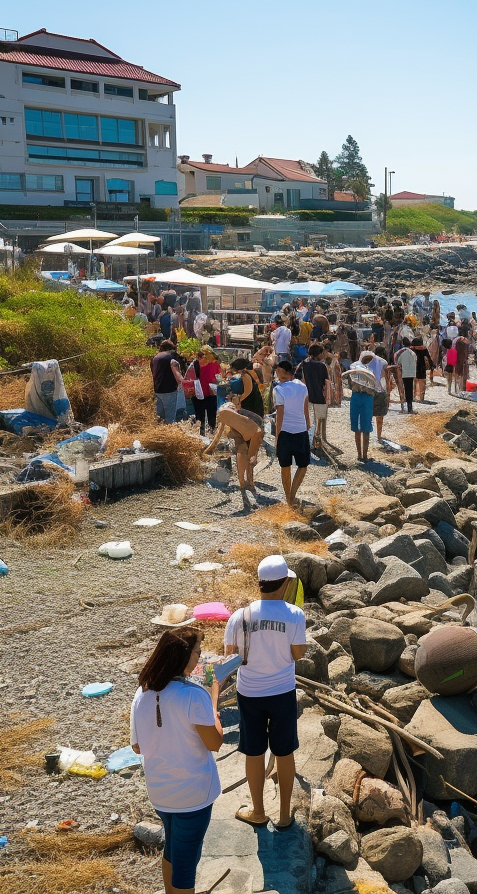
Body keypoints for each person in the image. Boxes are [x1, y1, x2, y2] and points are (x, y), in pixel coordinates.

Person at [130, 627, 223, 894]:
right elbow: (215, 743)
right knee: (186, 864)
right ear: (183, 656)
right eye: (197, 652)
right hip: (193, 795)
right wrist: (214, 705)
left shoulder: (143, 691)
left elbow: (137, 746)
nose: (199, 657)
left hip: (160, 793)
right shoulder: (194, 695)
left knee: (173, 848)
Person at [224, 555, 307, 830]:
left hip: (249, 693)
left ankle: (258, 811)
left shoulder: (240, 616)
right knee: (284, 753)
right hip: (282, 692)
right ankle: (284, 816)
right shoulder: (294, 615)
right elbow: (298, 654)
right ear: (284, 584)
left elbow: (229, 656)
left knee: (254, 752)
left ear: (259, 583)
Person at [272, 361, 310, 506]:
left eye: (278, 371)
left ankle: (289, 497)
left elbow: (279, 414)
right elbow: (305, 407)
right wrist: (307, 423)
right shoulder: (302, 386)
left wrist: (277, 437)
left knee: (285, 466)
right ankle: (292, 495)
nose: (277, 373)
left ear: (284, 371)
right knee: (303, 465)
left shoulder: (279, 389)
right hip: (301, 430)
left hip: (285, 432)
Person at [342, 351, 377, 461]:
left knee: (362, 427)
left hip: (361, 397)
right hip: (363, 397)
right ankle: (362, 455)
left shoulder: (358, 367)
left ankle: (362, 455)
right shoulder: (362, 368)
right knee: (361, 427)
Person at [296, 343, 330, 448]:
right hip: (319, 396)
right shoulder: (321, 365)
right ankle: (317, 441)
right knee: (319, 420)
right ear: (318, 354)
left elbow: (298, 378)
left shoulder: (303, 363)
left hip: (306, 396)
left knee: (307, 419)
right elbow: (326, 382)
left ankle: (308, 441)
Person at [152, 340, 185, 424]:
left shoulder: (155, 357)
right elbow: (177, 373)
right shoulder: (172, 357)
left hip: (158, 390)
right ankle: (169, 433)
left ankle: (158, 433)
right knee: (170, 417)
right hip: (169, 390)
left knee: (159, 417)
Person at [395, 337, 417, 414]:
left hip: (403, 373)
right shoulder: (413, 353)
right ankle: (410, 408)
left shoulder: (400, 352)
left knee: (402, 390)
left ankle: (403, 407)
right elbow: (415, 361)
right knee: (409, 390)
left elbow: (397, 360)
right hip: (411, 373)